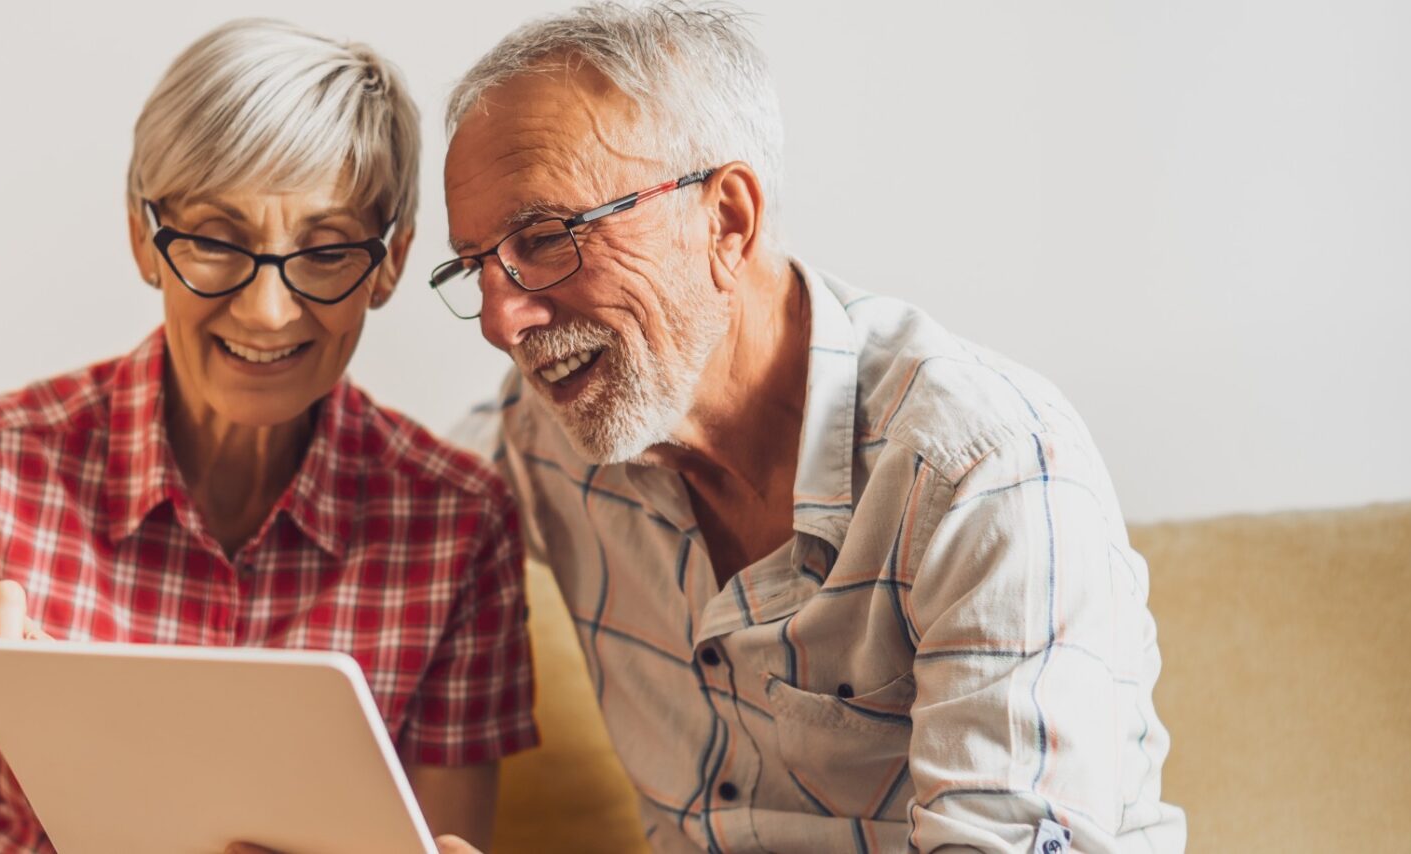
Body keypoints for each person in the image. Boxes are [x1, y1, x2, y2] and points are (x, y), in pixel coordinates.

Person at [0, 19, 535, 853]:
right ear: (144, 237)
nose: (266, 310)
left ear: (387, 265)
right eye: (215, 240)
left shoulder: (458, 523)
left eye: (325, 251)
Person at [433, 2, 1185, 851]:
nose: (501, 321)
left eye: (544, 237)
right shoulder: (550, 435)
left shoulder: (984, 471)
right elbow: (382, 497)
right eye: (474, 267)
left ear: (727, 220)